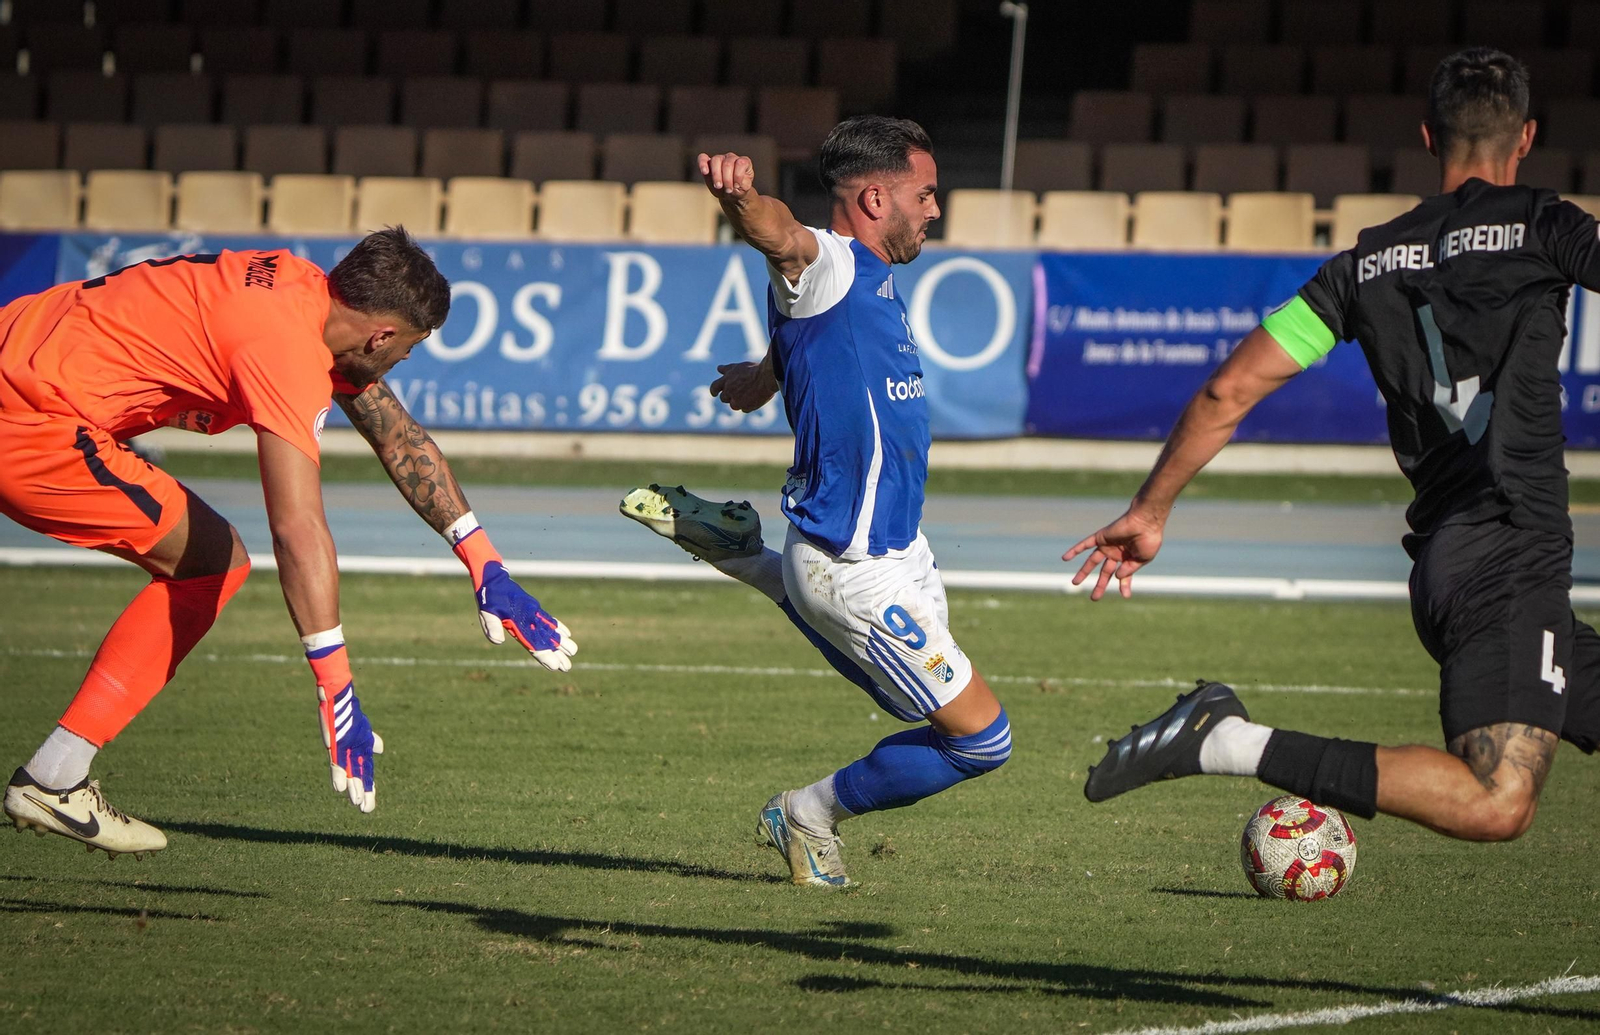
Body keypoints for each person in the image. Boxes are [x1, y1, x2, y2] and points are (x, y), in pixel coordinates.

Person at [1067, 48, 1599, 842]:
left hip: (1451, 563)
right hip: (1508, 550)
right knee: (1497, 799)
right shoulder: (1548, 225)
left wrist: (1150, 508)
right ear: (1525, 139)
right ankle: (1226, 739)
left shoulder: (1363, 266)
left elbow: (1229, 390)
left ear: (1427, 137)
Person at [1, 228, 576, 859]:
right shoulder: (287, 351)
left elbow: (396, 437)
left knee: (209, 558)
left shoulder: (302, 292)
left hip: (18, 351)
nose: (402, 363)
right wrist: (337, 688)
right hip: (33, 420)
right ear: (381, 335)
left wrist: (485, 564)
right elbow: (298, 530)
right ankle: (54, 778)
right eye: (408, 349)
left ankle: (53, 778)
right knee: (211, 564)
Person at [619, 117, 1011, 887]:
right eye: (925, 194)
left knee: (915, 715)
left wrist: (764, 376)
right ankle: (805, 812)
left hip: (900, 551)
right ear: (873, 197)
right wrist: (740, 199)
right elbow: (782, 240)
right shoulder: (826, 258)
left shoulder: (862, 276)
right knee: (979, 740)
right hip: (850, 563)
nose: (936, 208)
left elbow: (808, 333)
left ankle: (745, 554)